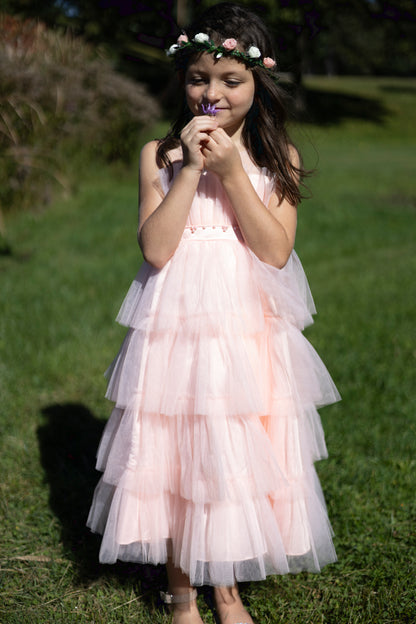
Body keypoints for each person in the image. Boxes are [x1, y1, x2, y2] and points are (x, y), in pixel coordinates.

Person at [87, 3, 340, 623]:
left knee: (231, 452)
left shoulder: (278, 156)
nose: (213, 92)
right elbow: (157, 247)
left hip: (244, 329)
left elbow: (275, 250)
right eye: (200, 77)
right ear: (183, 79)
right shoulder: (161, 154)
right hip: (178, 331)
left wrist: (231, 172)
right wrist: (194, 168)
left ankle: (226, 590)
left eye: (231, 80)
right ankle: (181, 592)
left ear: (258, 84)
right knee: (178, 452)